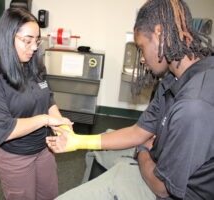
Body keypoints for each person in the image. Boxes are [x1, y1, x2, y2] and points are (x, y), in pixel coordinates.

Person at [46, 0, 214, 199]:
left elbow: (162, 187)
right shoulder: (173, 78)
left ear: (160, 34)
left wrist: (142, 151)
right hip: (157, 157)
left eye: (141, 48)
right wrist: (77, 141)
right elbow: (139, 131)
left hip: (167, 190)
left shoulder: (194, 105)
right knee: (94, 150)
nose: (142, 58)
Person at [0, 8, 71, 200]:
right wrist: (46, 120)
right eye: (27, 41)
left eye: (37, 40)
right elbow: (6, 130)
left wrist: (60, 123)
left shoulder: (33, 64)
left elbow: (48, 98)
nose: (34, 47)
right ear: (7, 37)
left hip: (43, 147)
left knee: (49, 195)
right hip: (14, 156)